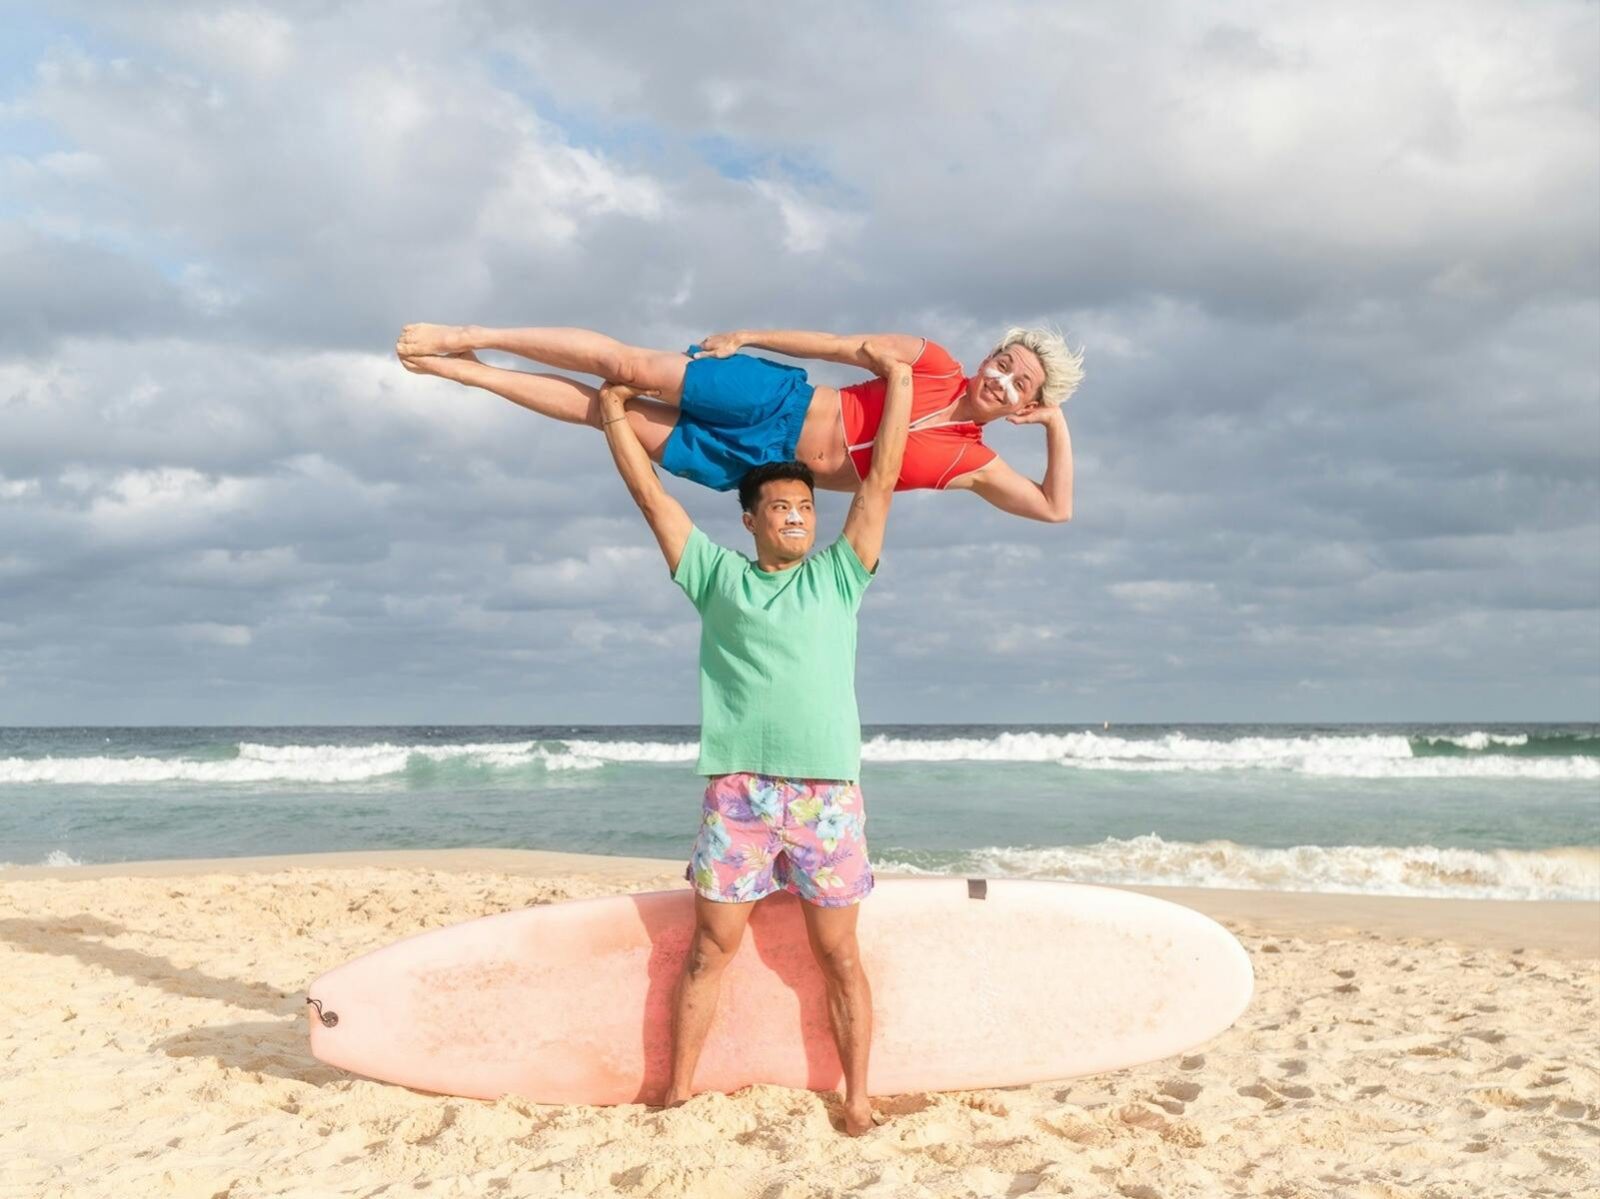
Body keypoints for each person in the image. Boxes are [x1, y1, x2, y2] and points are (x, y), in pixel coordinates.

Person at [593, 339, 913, 1137]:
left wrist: (900, 383)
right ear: (751, 519)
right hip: (738, 792)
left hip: (826, 794)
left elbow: (879, 481)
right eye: (781, 507)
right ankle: (676, 1089)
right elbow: (653, 500)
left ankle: (857, 1095)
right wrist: (612, 421)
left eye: (805, 508)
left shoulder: (841, 574)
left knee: (840, 953)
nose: (798, 517)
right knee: (711, 948)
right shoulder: (717, 575)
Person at [397, 321, 1080, 522]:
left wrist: (1056, 426)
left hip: (763, 468)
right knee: (626, 363)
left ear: (1023, 404)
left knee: (609, 416)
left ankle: (465, 370)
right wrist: (749, 335)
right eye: (1002, 361)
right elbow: (838, 347)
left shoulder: (974, 464)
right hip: (771, 400)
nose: (999, 378)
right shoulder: (931, 361)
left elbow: (1056, 509)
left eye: (1019, 383)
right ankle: (471, 333)